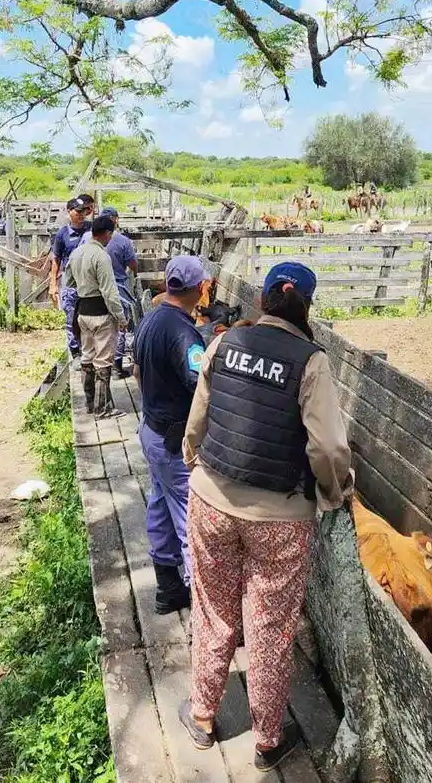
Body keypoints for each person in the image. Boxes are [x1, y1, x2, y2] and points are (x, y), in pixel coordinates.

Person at [178, 261, 353, 772]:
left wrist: (193, 461)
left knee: (212, 609)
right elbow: (328, 448)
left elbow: (198, 419)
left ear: (262, 302)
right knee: (270, 626)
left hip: (211, 500)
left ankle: (203, 716)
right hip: (279, 516)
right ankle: (268, 740)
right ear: (306, 308)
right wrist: (332, 493)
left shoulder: (224, 343)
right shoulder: (311, 362)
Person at [133, 256, 208, 615]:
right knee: (190, 519)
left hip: (152, 430)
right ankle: (200, 605)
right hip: (174, 442)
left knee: (161, 506)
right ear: (199, 289)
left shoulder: (151, 319)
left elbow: (136, 371)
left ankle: (168, 587)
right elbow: (201, 385)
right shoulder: (183, 333)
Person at [64, 215, 127, 415]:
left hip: (82, 312)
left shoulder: (76, 253)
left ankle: (90, 403)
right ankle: (103, 408)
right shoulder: (101, 256)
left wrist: (85, 284)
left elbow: (69, 282)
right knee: (103, 360)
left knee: (87, 356)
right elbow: (109, 292)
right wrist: (121, 317)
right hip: (101, 313)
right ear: (107, 233)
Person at [81, 207, 138, 378]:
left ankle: (90, 368)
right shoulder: (123, 241)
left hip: (89, 294)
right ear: (115, 221)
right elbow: (133, 264)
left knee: (91, 335)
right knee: (119, 329)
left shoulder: (85, 239)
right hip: (117, 287)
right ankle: (116, 367)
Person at [49, 197, 91, 362]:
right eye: (78, 211)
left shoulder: (91, 230)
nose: (81, 215)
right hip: (71, 281)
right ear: (69, 212)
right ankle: (75, 353)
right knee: (71, 318)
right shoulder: (62, 234)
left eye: (84, 211)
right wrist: (53, 284)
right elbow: (56, 260)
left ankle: (89, 351)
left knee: (90, 317)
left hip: (89, 281)